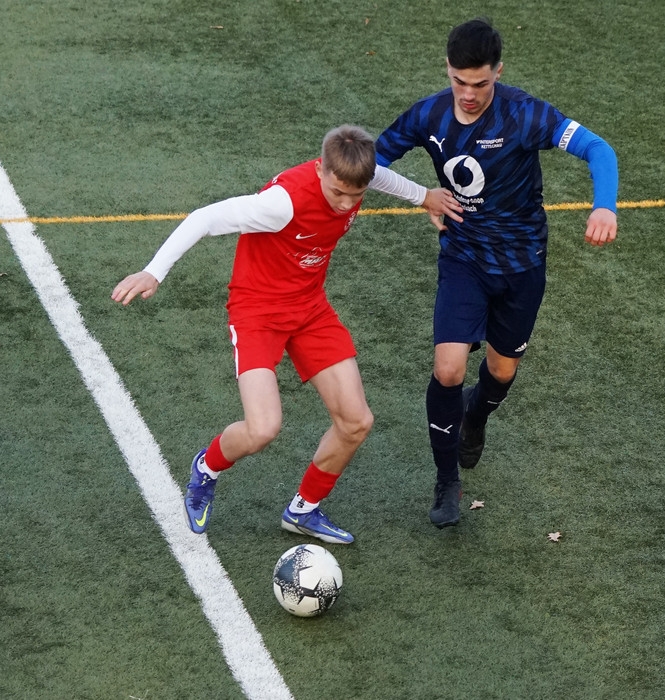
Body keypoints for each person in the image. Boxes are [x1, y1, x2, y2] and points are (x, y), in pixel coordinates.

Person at [112, 125, 462, 543]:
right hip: (257, 312)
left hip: (310, 308)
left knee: (356, 422)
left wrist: (424, 196)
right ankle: (206, 467)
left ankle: (303, 510)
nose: (345, 203)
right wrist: (153, 271)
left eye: (355, 195)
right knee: (262, 429)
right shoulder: (281, 203)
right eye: (338, 192)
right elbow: (204, 218)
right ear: (320, 169)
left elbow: (381, 177)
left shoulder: (355, 178)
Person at [374, 18, 619, 529]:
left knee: (502, 372)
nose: (468, 94)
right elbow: (369, 159)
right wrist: (420, 196)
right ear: (447, 69)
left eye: (480, 84)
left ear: (498, 73)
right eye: (459, 81)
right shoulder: (428, 114)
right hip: (463, 259)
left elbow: (597, 148)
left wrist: (604, 205)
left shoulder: (525, 114)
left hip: (523, 266)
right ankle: (446, 482)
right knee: (448, 370)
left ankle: (476, 416)